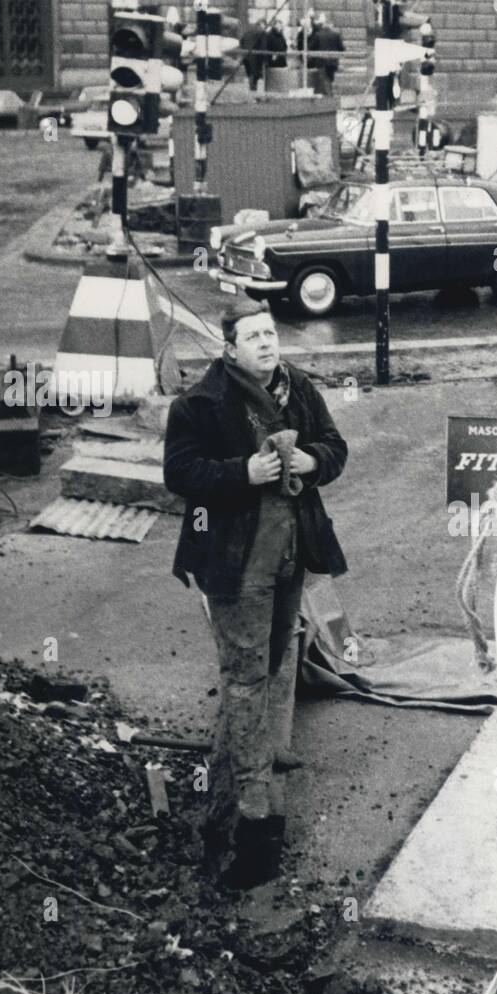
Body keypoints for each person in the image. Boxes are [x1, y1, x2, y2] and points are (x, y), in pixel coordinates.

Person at [163, 297, 348, 887]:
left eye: (271, 333)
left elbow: (336, 448)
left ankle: (238, 779)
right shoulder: (201, 402)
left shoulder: (299, 389)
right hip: (235, 565)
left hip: (290, 559)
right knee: (245, 679)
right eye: (254, 336)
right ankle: (252, 819)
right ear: (231, 347)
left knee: (271, 665)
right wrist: (243, 474)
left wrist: (311, 462)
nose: (268, 343)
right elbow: (180, 473)